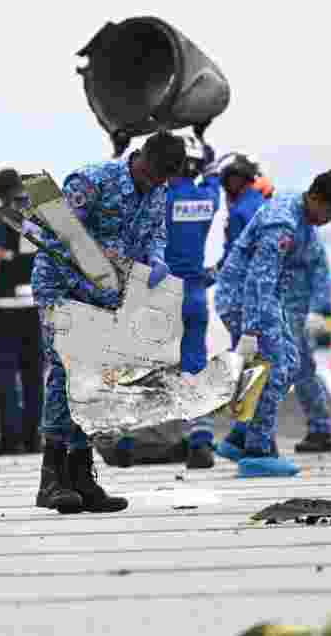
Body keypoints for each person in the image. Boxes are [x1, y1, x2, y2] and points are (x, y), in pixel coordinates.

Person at [33, 130, 184, 513]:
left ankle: (81, 475)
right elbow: (54, 237)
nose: (157, 184)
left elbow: (155, 235)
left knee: (97, 380)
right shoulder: (91, 182)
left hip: (110, 293)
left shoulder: (157, 190)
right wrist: (90, 279)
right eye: (154, 176)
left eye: (164, 180)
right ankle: (52, 478)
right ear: (141, 158)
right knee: (68, 371)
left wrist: (156, 258)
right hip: (62, 288)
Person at [215, 170, 331, 476]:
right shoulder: (283, 223)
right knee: (275, 367)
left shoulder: (303, 218)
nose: (328, 220)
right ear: (315, 197)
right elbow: (258, 279)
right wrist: (251, 330)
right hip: (246, 300)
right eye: (329, 212)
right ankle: (257, 450)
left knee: (289, 362)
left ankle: (241, 435)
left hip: (264, 302)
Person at [114, 135, 222, 469]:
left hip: (159, 293)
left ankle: (130, 440)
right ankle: (201, 438)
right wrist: (206, 147)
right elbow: (214, 175)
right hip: (194, 294)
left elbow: (128, 187)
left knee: (146, 368)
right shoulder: (208, 199)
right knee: (194, 369)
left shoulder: (160, 197)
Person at [0, 169, 44, 455]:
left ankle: (10, 438)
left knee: (4, 373)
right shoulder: (36, 215)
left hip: (5, 306)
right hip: (33, 304)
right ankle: (33, 437)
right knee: (33, 373)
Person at [216, 154, 264, 270]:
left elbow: (233, 256)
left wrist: (216, 270)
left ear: (234, 181)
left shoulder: (238, 212)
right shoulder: (263, 202)